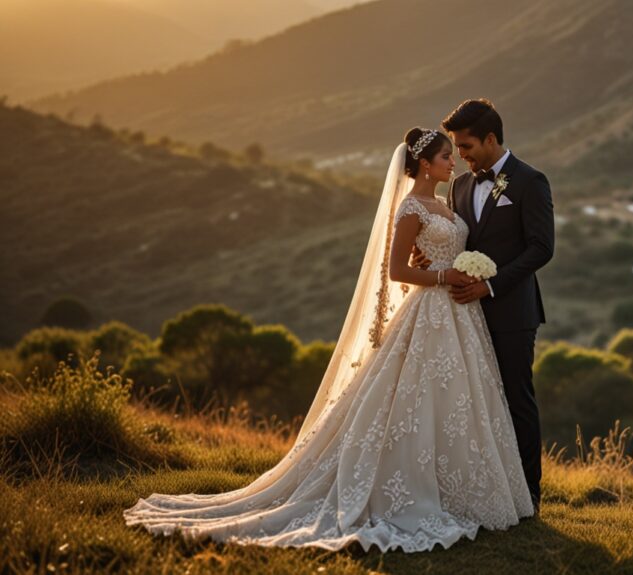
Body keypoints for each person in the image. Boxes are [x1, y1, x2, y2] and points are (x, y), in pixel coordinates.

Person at [123, 127, 534, 553]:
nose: (454, 163)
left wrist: (452, 268)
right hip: (430, 311)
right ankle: (408, 489)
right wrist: (442, 275)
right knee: (415, 401)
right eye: (446, 157)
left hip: (460, 317)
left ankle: (462, 491)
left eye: (454, 155)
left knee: (457, 402)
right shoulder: (411, 207)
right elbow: (396, 272)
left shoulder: (444, 204)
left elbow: (433, 251)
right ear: (425, 164)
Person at [417, 98, 554, 512]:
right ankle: (487, 489)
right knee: (474, 403)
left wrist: (491, 287)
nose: (460, 156)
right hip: (463, 315)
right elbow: (458, 239)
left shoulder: (531, 181)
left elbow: (541, 249)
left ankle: (528, 494)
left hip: (512, 313)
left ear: (490, 139)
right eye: (455, 149)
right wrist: (431, 256)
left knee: (516, 401)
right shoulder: (459, 186)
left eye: (466, 147)